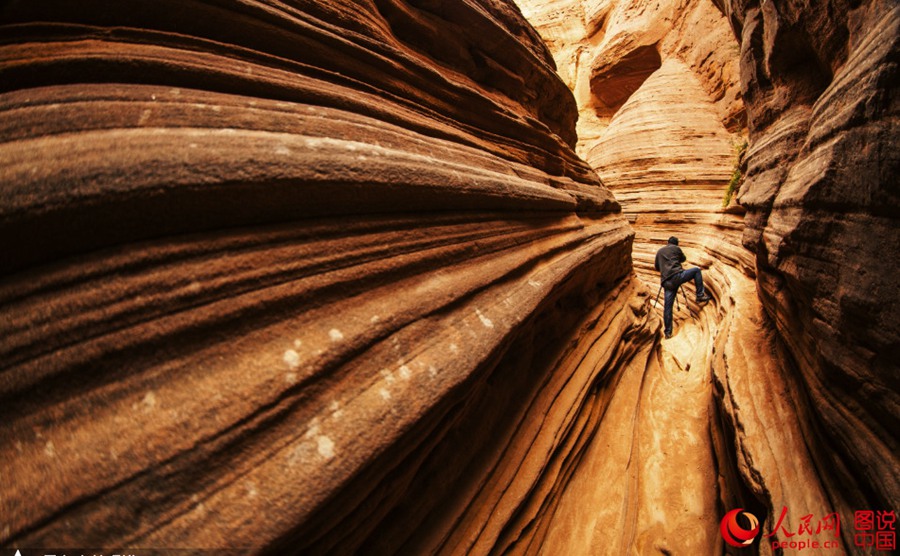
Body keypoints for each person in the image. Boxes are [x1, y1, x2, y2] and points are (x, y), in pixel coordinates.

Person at [654, 236, 712, 338]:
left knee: (667, 308)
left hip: (666, 282)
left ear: (668, 242)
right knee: (696, 270)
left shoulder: (659, 252)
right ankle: (700, 295)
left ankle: (668, 333)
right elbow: (683, 259)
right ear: (676, 243)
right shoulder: (676, 249)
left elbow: (657, 267)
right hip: (677, 277)